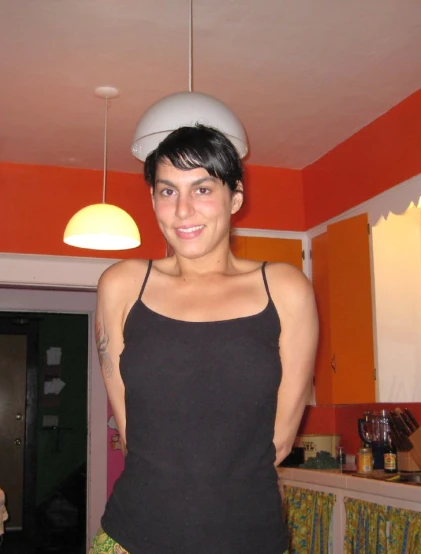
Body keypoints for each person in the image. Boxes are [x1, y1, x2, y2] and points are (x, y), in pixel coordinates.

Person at [90, 124, 319, 553]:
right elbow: (131, 429)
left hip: (250, 539)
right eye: (167, 191)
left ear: (235, 197)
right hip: (132, 538)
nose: (182, 211)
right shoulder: (121, 285)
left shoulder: (285, 288)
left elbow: (280, 440)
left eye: (201, 189)